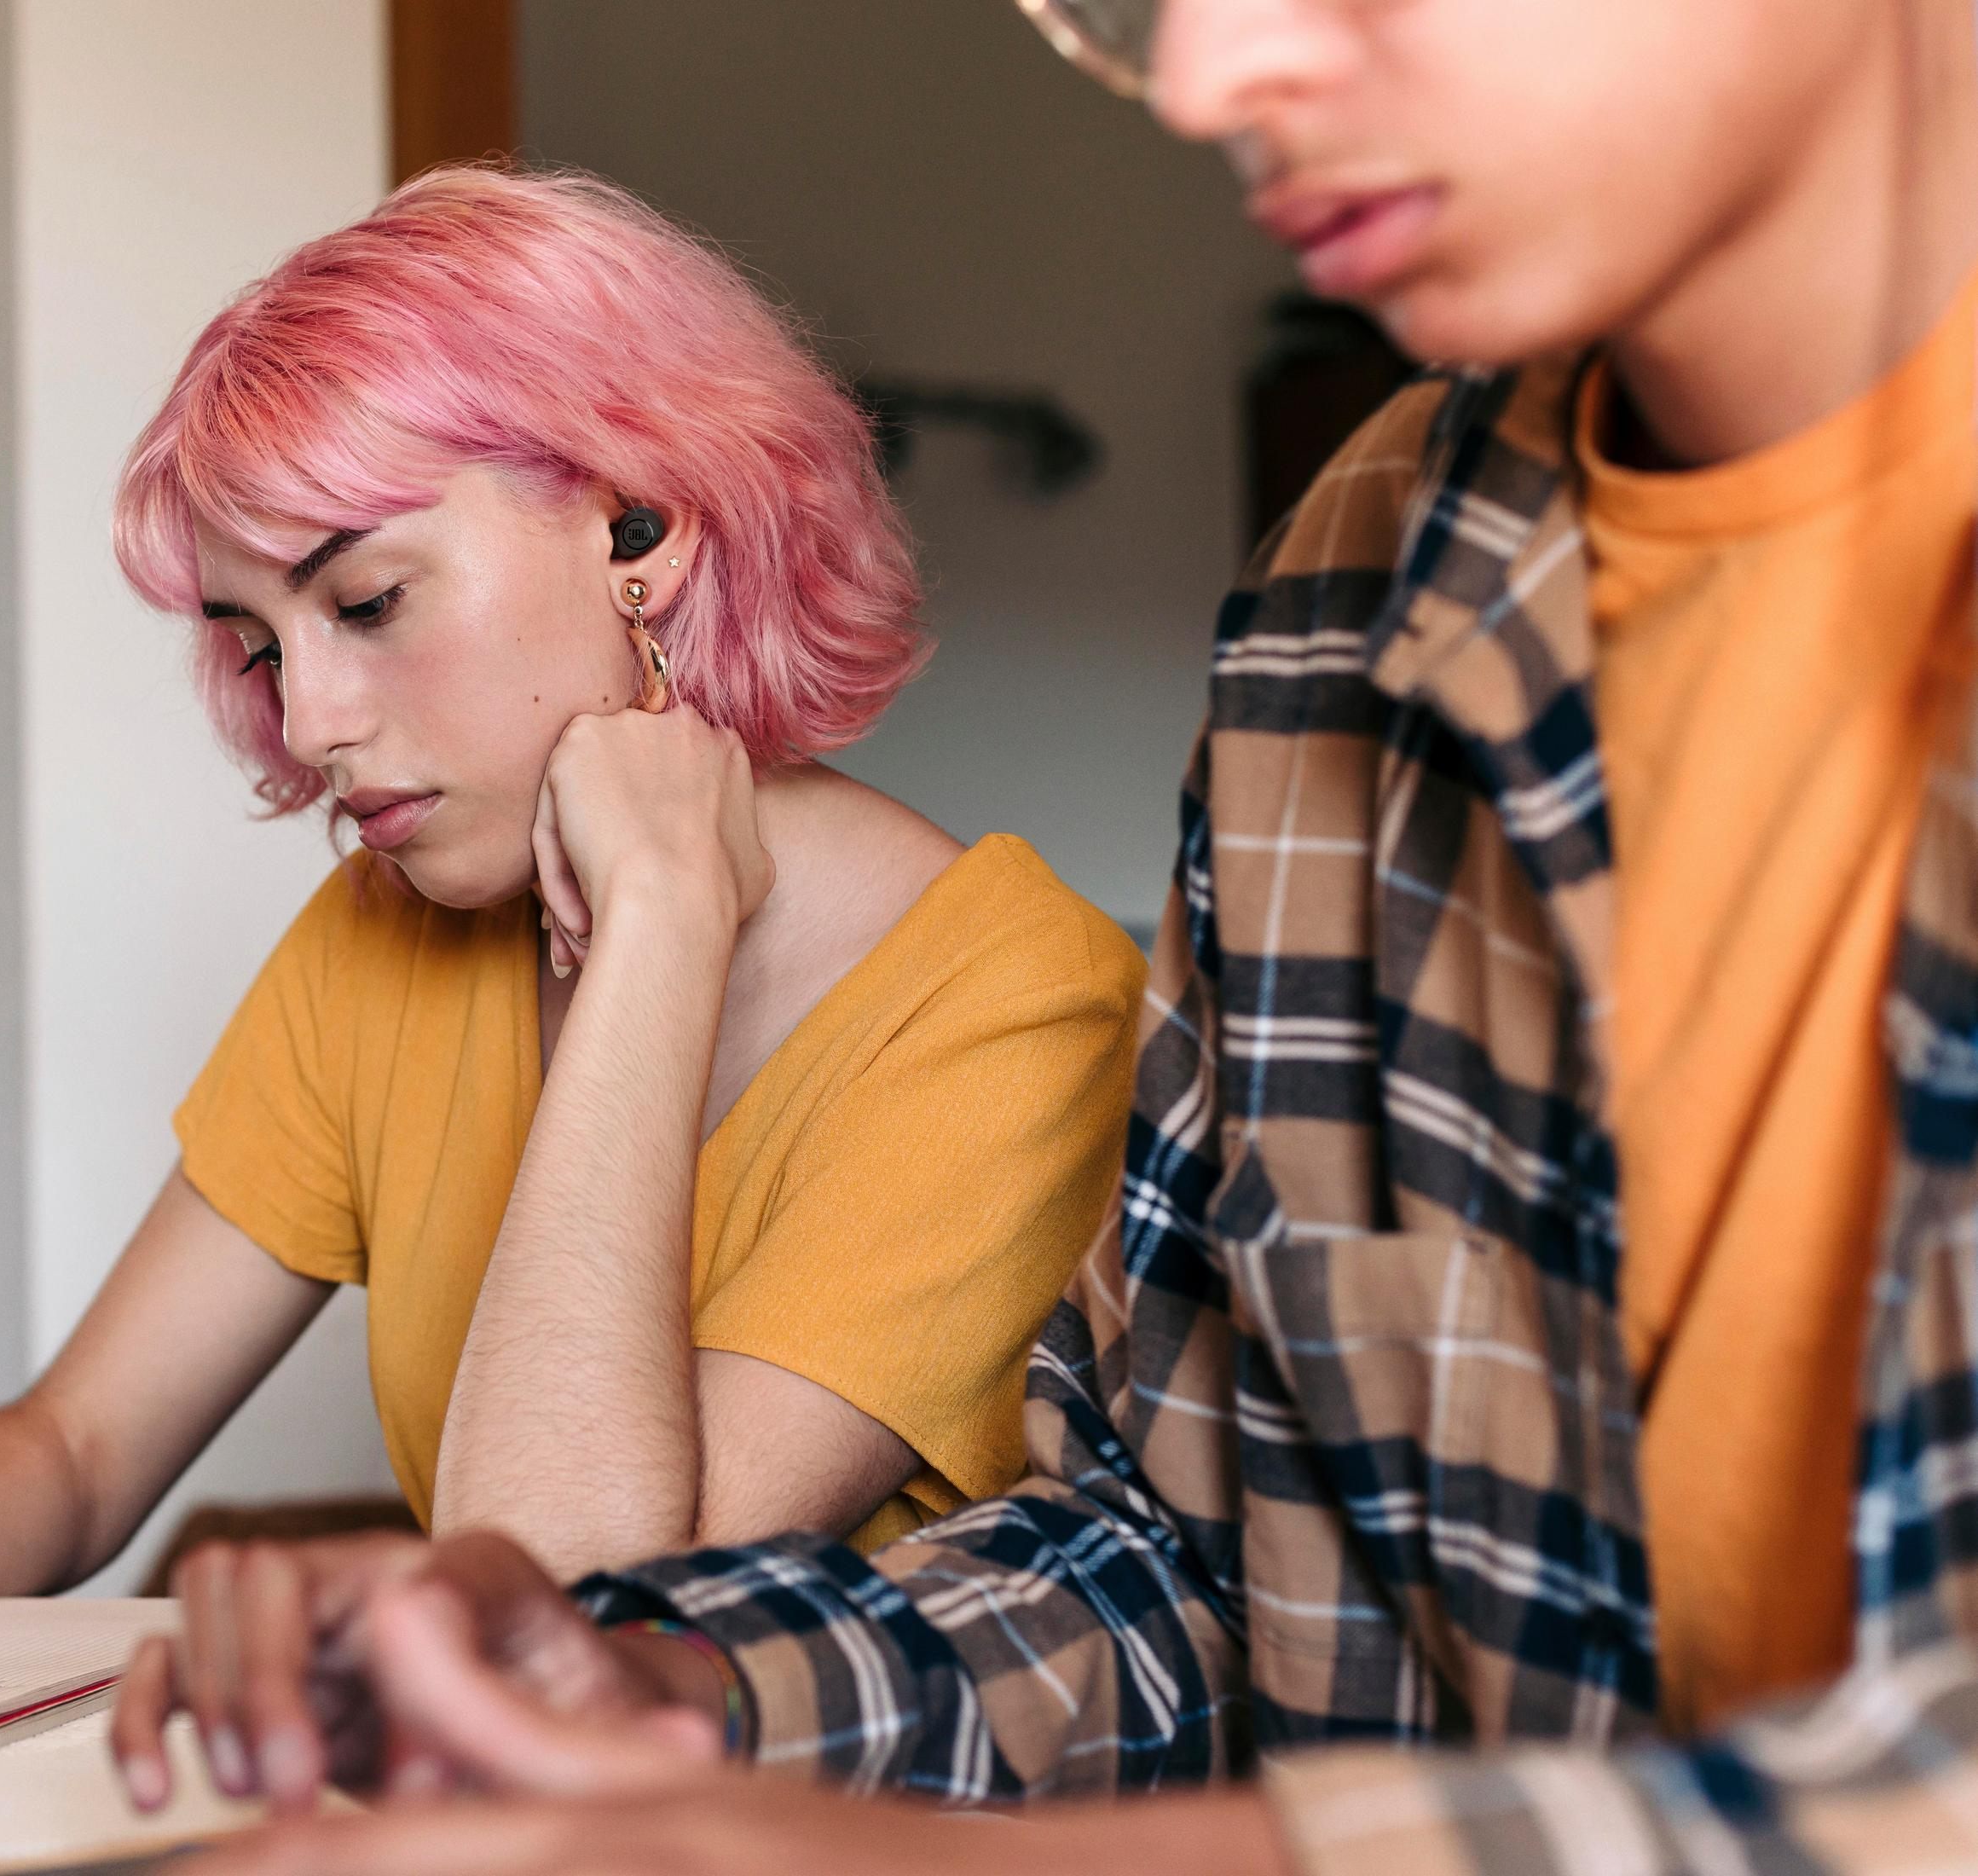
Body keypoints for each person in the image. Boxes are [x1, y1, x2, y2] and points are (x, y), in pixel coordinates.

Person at [109, 0, 1978, 1869]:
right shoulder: (1360, 587)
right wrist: (678, 1691)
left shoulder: (993, 989)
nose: (1201, 82)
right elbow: (1173, 1553)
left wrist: (845, 1855)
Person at [0, 171, 1143, 1684]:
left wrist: (664, 923)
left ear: (643, 530)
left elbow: (576, 1607)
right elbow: (76, 1449)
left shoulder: (1018, 1005)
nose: (310, 720)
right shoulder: (386, 934)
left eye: (363, 603)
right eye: (258, 647)